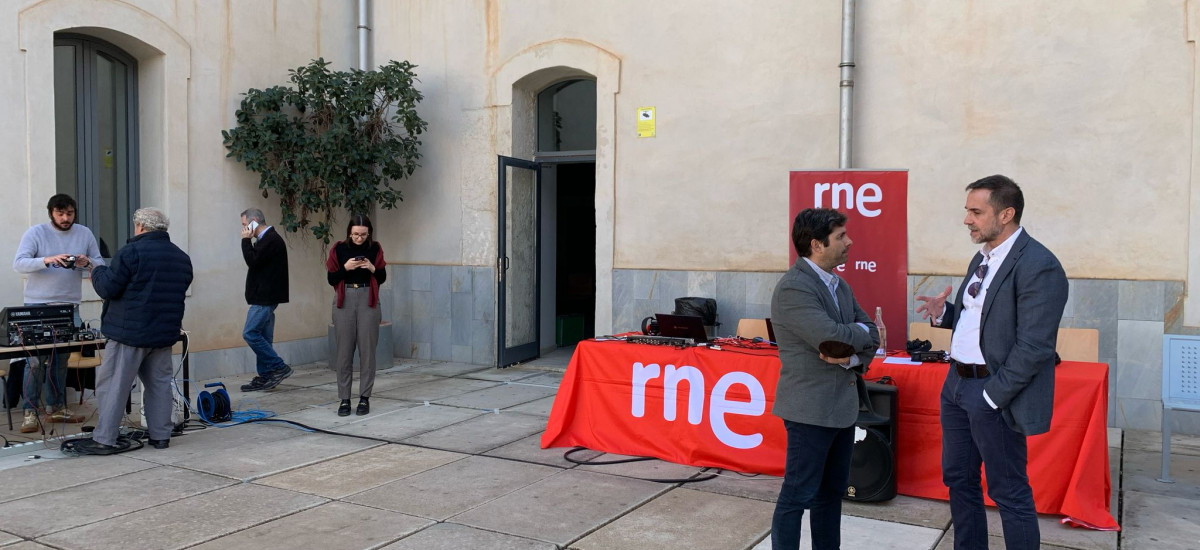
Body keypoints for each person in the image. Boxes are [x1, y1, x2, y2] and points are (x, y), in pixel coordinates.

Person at [915, 175, 1068, 550]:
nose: (967, 219)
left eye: (976, 212)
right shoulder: (982, 256)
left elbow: (1034, 346)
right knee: (959, 480)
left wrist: (991, 396)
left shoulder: (1039, 264)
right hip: (956, 386)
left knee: (1009, 491)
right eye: (967, 210)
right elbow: (982, 318)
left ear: (1006, 214)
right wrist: (945, 314)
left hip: (992, 391)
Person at [770, 208, 879, 550]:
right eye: (841, 237)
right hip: (810, 411)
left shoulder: (839, 285)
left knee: (830, 495)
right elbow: (829, 335)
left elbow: (872, 334)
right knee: (797, 495)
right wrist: (854, 337)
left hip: (842, 408)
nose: (850, 241)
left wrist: (852, 352)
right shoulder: (794, 289)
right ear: (817, 245)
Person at [71, 208, 192, 454]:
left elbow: (107, 288)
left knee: (114, 386)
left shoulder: (131, 252)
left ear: (140, 226)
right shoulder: (181, 257)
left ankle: (105, 438)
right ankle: (160, 437)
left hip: (129, 334)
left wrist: (96, 268)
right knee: (159, 386)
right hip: (163, 334)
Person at [11, 193, 104, 433]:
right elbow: (19, 263)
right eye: (60, 214)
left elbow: (101, 264)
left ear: (75, 212)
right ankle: (30, 411)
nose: (65, 218)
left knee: (61, 359)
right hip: (36, 305)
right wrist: (47, 260)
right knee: (34, 360)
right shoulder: (36, 233)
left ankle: (57, 406)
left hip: (69, 305)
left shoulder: (84, 233)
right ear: (51, 213)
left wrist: (86, 262)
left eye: (69, 213)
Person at [325, 214, 387, 416]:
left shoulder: (375, 248)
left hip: (368, 298)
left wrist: (372, 268)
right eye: (355, 234)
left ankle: (364, 398)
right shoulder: (339, 249)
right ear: (349, 232)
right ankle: (344, 399)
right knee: (344, 351)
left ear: (369, 233)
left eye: (362, 234)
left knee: (368, 350)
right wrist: (346, 267)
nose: (358, 238)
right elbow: (331, 278)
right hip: (345, 299)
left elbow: (382, 277)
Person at [238, 208, 292, 391]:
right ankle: (266, 374)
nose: (244, 229)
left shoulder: (270, 239)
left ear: (254, 221)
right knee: (263, 337)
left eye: (245, 225)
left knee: (250, 333)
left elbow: (252, 260)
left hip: (265, 298)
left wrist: (245, 240)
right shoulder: (266, 240)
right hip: (265, 296)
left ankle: (278, 366)